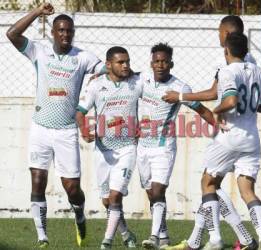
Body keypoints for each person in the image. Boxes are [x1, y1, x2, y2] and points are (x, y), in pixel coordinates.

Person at [6, 3, 105, 248]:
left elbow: (109, 70)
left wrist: (100, 74)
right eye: (60, 30)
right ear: (53, 32)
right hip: (40, 128)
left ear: (73, 33)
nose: (65, 35)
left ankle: (79, 216)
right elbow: (11, 34)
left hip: (66, 131)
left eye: (69, 31)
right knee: (38, 181)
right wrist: (37, 11)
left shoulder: (83, 57)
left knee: (72, 188)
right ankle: (42, 237)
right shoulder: (38, 52)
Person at [168, 33, 261, 250]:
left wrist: (217, 111)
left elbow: (231, 100)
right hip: (251, 138)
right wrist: (250, 107)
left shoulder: (227, 71)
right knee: (247, 190)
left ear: (226, 50)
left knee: (208, 183)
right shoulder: (258, 70)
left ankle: (215, 238)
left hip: (229, 135)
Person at [137, 43, 216, 249]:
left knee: (157, 190)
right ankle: (163, 235)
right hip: (142, 147)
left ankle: (153, 237)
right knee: (151, 193)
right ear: (151, 63)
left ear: (171, 64)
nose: (160, 65)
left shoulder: (180, 88)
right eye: (157, 61)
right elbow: (121, 79)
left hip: (164, 147)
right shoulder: (142, 80)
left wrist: (218, 125)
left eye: (164, 61)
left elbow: (200, 109)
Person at [76, 46, 142, 250]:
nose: (126, 65)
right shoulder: (96, 86)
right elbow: (80, 111)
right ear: (108, 65)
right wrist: (84, 129)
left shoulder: (137, 82)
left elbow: (154, 91)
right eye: (120, 62)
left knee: (115, 196)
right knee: (107, 201)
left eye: (127, 62)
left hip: (127, 148)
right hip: (103, 151)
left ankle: (107, 242)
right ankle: (126, 234)